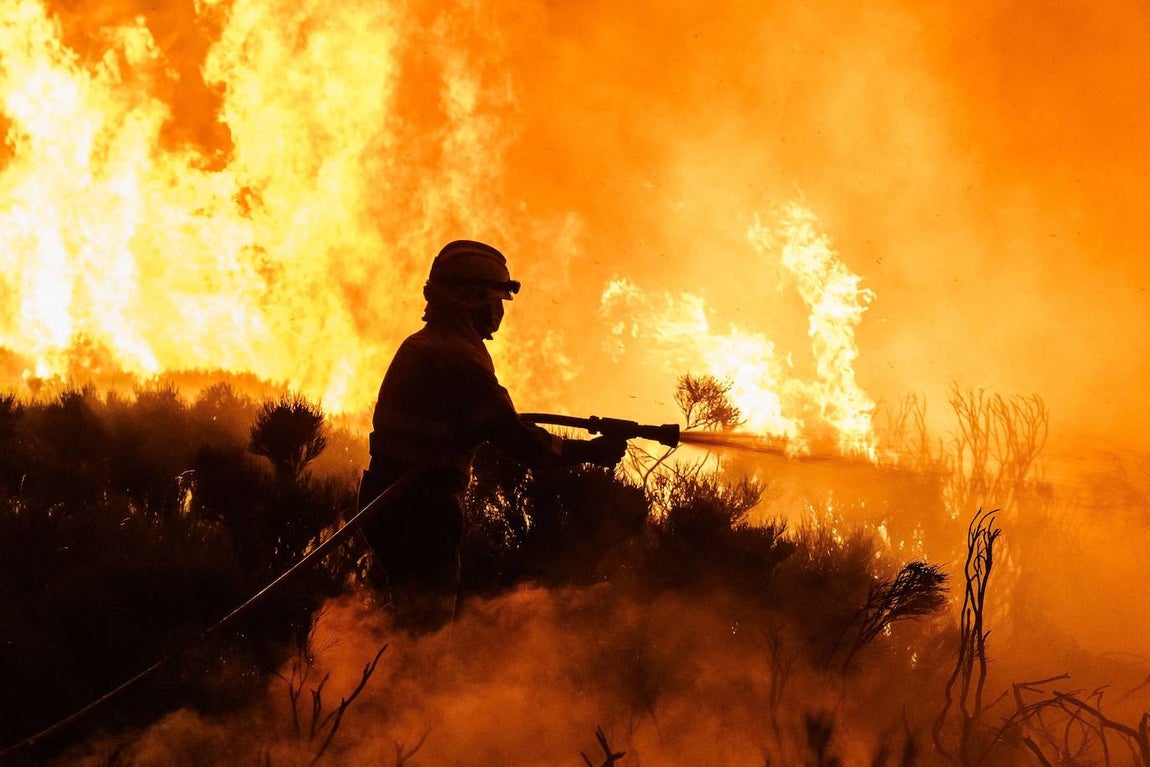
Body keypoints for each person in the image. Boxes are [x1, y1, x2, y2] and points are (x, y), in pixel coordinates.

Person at [358, 240, 626, 632]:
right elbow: (514, 436)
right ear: (470, 298)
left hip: (390, 498)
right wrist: (586, 452)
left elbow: (487, 422)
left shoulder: (424, 345)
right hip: (418, 504)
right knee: (426, 628)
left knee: (409, 614)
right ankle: (404, 686)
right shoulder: (456, 357)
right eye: (494, 300)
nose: (498, 312)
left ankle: (379, 678)